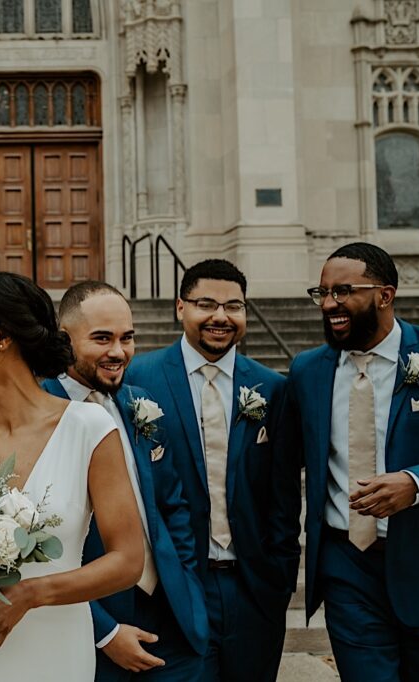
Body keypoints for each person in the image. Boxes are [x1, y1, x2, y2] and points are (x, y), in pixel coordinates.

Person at [0, 272, 145, 681]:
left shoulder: (88, 428)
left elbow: (127, 561)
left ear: (1, 335)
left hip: (56, 650)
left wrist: (29, 595)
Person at [126, 259, 297, 682]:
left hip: (252, 587)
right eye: (207, 304)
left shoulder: (271, 388)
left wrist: (278, 580)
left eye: (234, 306)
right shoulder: (136, 380)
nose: (221, 316)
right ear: (180, 308)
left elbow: (283, 493)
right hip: (172, 588)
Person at [285, 242, 419, 679]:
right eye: (322, 293)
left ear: (385, 295)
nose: (330, 304)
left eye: (343, 291)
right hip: (346, 565)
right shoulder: (307, 371)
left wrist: (418, 483)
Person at [43, 282, 206, 680]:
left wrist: (185, 581)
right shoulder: (37, 413)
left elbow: (172, 504)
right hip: (87, 625)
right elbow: (31, 551)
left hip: (170, 615)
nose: (118, 352)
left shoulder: (140, 404)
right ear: (64, 340)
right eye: (102, 338)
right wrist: (105, 632)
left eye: (127, 338)